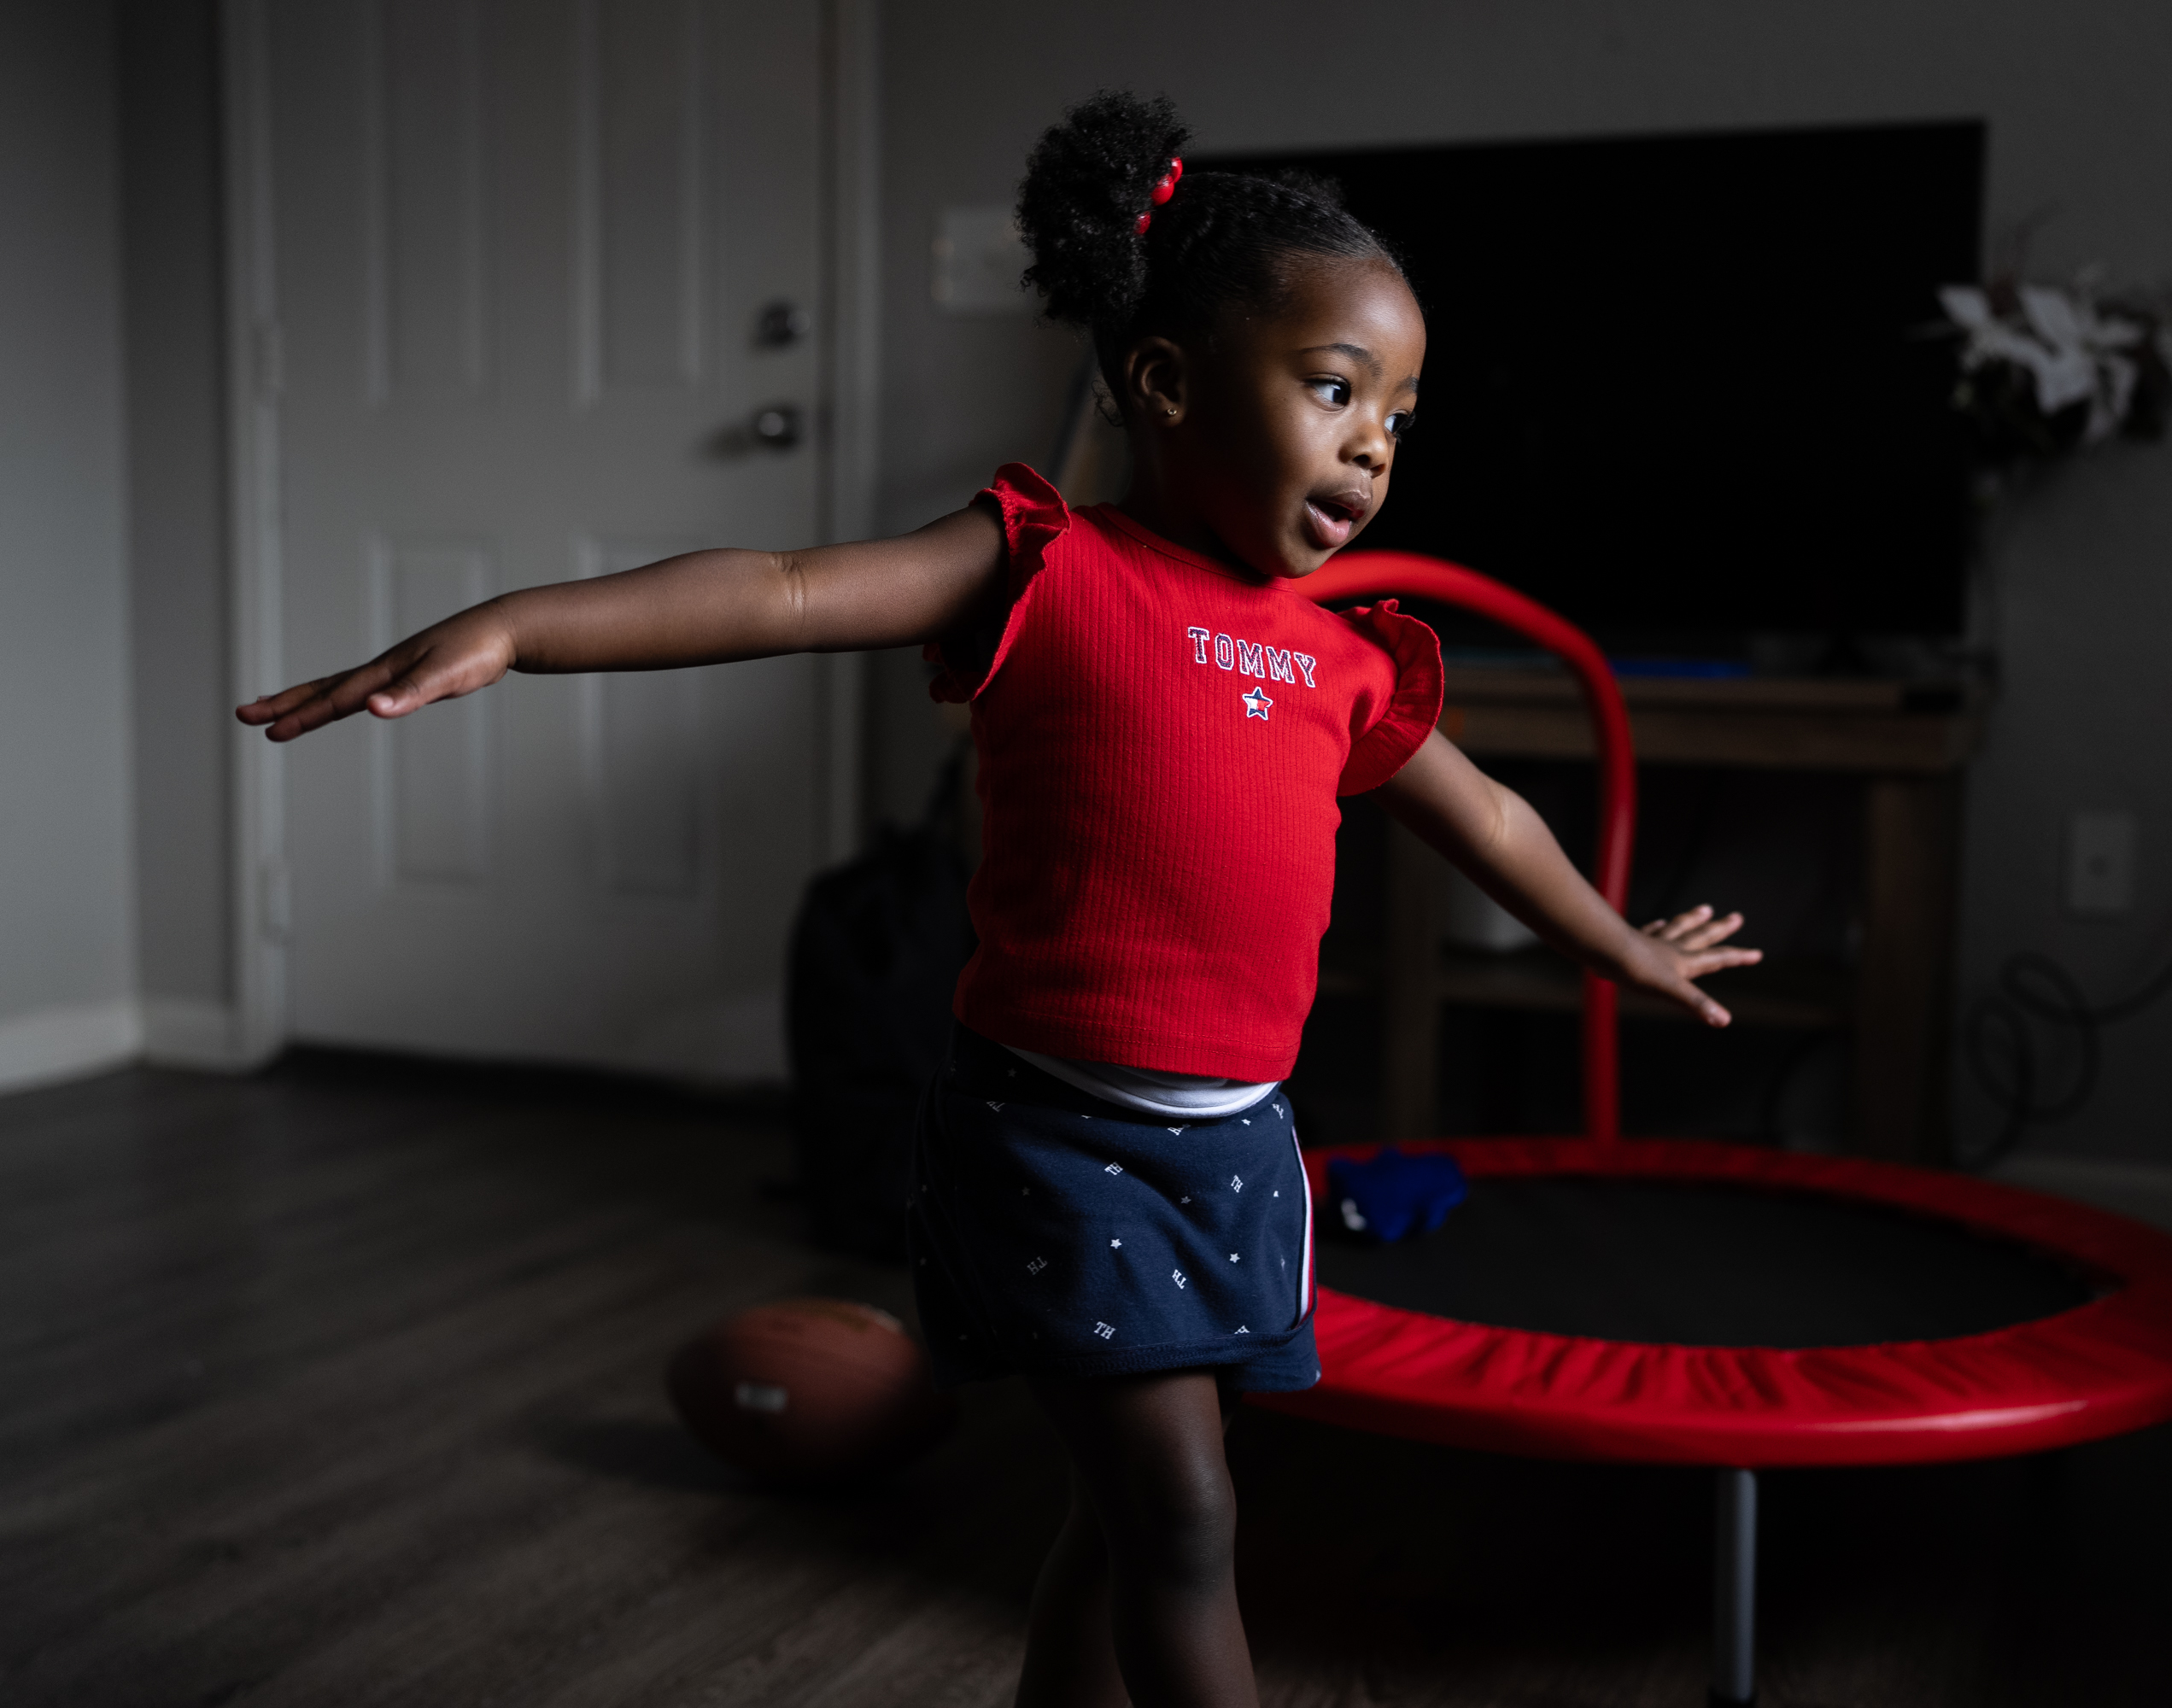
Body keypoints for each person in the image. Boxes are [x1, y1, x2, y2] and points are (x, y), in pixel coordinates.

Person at [237, 89, 1759, 1708]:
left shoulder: (1343, 658)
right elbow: (781, 588)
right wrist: (516, 627)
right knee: (1184, 1517)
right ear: (1170, 383)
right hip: (1063, 1139)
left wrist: (1618, 946)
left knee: (1124, 1529)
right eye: (1336, 390)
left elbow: (1496, 818)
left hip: (1241, 1147)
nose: (1377, 440)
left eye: (1400, 412)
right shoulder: (1047, 569)